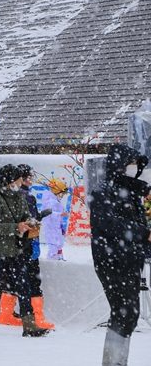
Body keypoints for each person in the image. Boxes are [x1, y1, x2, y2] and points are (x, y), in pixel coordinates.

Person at [0, 164, 49, 338]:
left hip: (15, 250)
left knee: (23, 286)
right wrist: (16, 227)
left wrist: (30, 222)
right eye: (19, 179)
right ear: (10, 181)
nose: (22, 182)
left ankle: (29, 325)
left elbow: (24, 216)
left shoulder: (20, 197)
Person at [89, 144, 151, 366]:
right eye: (131, 164)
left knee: (130, 314)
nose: (135, 169)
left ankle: (117, 361)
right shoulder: (102, 192)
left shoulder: (134, 193)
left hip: (130, 260)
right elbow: (108, 224)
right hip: (111, 261)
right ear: (120, 165)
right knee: (123, 313)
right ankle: (113, 362)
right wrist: (145, 232)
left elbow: (139, 232)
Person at [0, 164, 54, 330]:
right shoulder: (27, 198)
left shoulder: (5, 195)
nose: (30, 180)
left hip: (10, 246)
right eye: (28, 177)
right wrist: (39, 217)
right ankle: (37, 317)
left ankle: (5, 314)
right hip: (27, 244)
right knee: (32, 281)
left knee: (10, 280)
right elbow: (30, 222)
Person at [41, 178, 68, 260]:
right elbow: (48, 214)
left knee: (59, 244)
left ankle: (59, 258)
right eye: (62, 193)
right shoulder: (51, 202)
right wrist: (60, 214)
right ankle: (53, 262)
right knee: (54, 246)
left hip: (56, 227)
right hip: (51, 228)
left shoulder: (55, 201)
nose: (62, 195)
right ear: (57, 192)